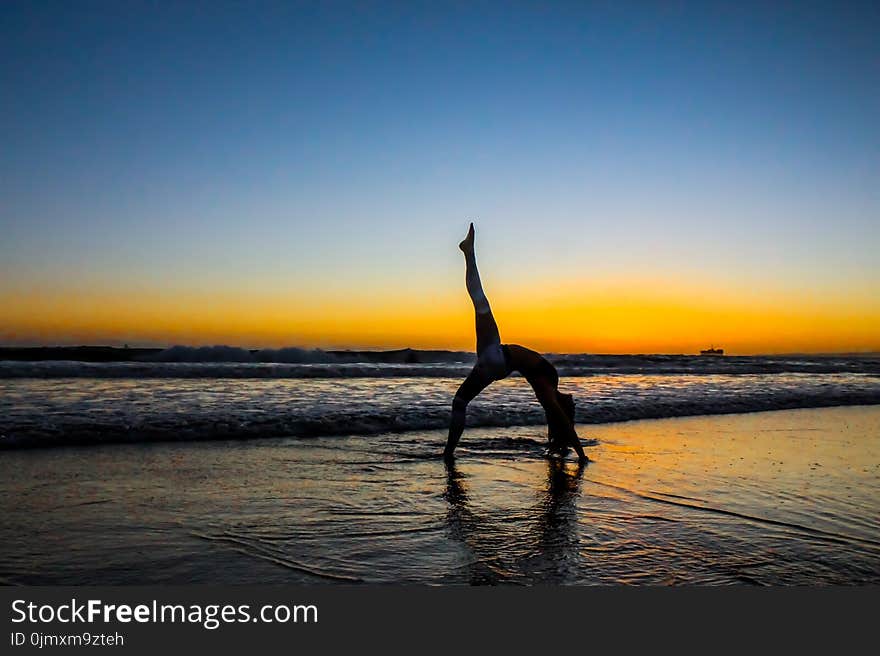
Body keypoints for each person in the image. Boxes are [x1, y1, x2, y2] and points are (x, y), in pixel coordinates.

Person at [443, 222, 588, 462]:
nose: (571, 398)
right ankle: (448, 453)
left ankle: (469, 253)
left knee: (481, 303)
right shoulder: (551, 380)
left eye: (569, 403)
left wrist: (582, 455)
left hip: (498, 357)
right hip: (495, 362)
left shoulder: (548, 385)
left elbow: (558, 415)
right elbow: (558, 414)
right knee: (459, 402)